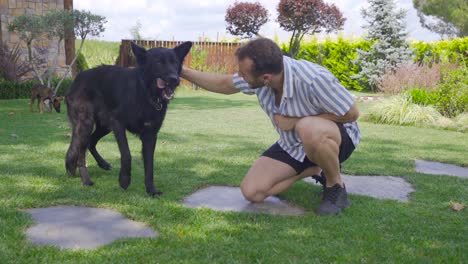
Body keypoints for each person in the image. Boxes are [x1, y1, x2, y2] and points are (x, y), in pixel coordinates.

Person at [181, 38, 360, 215]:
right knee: (252, 192)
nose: (239, 76)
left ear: (266, 78)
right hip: (293, 144)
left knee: (307, 127)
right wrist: (182, 71)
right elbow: (223, 84)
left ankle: (335, 186)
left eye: (243, 73)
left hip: (334, 139)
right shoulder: (263, 77)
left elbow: (351, 113)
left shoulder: (312, 79)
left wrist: (296, 122)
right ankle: (314, 168)